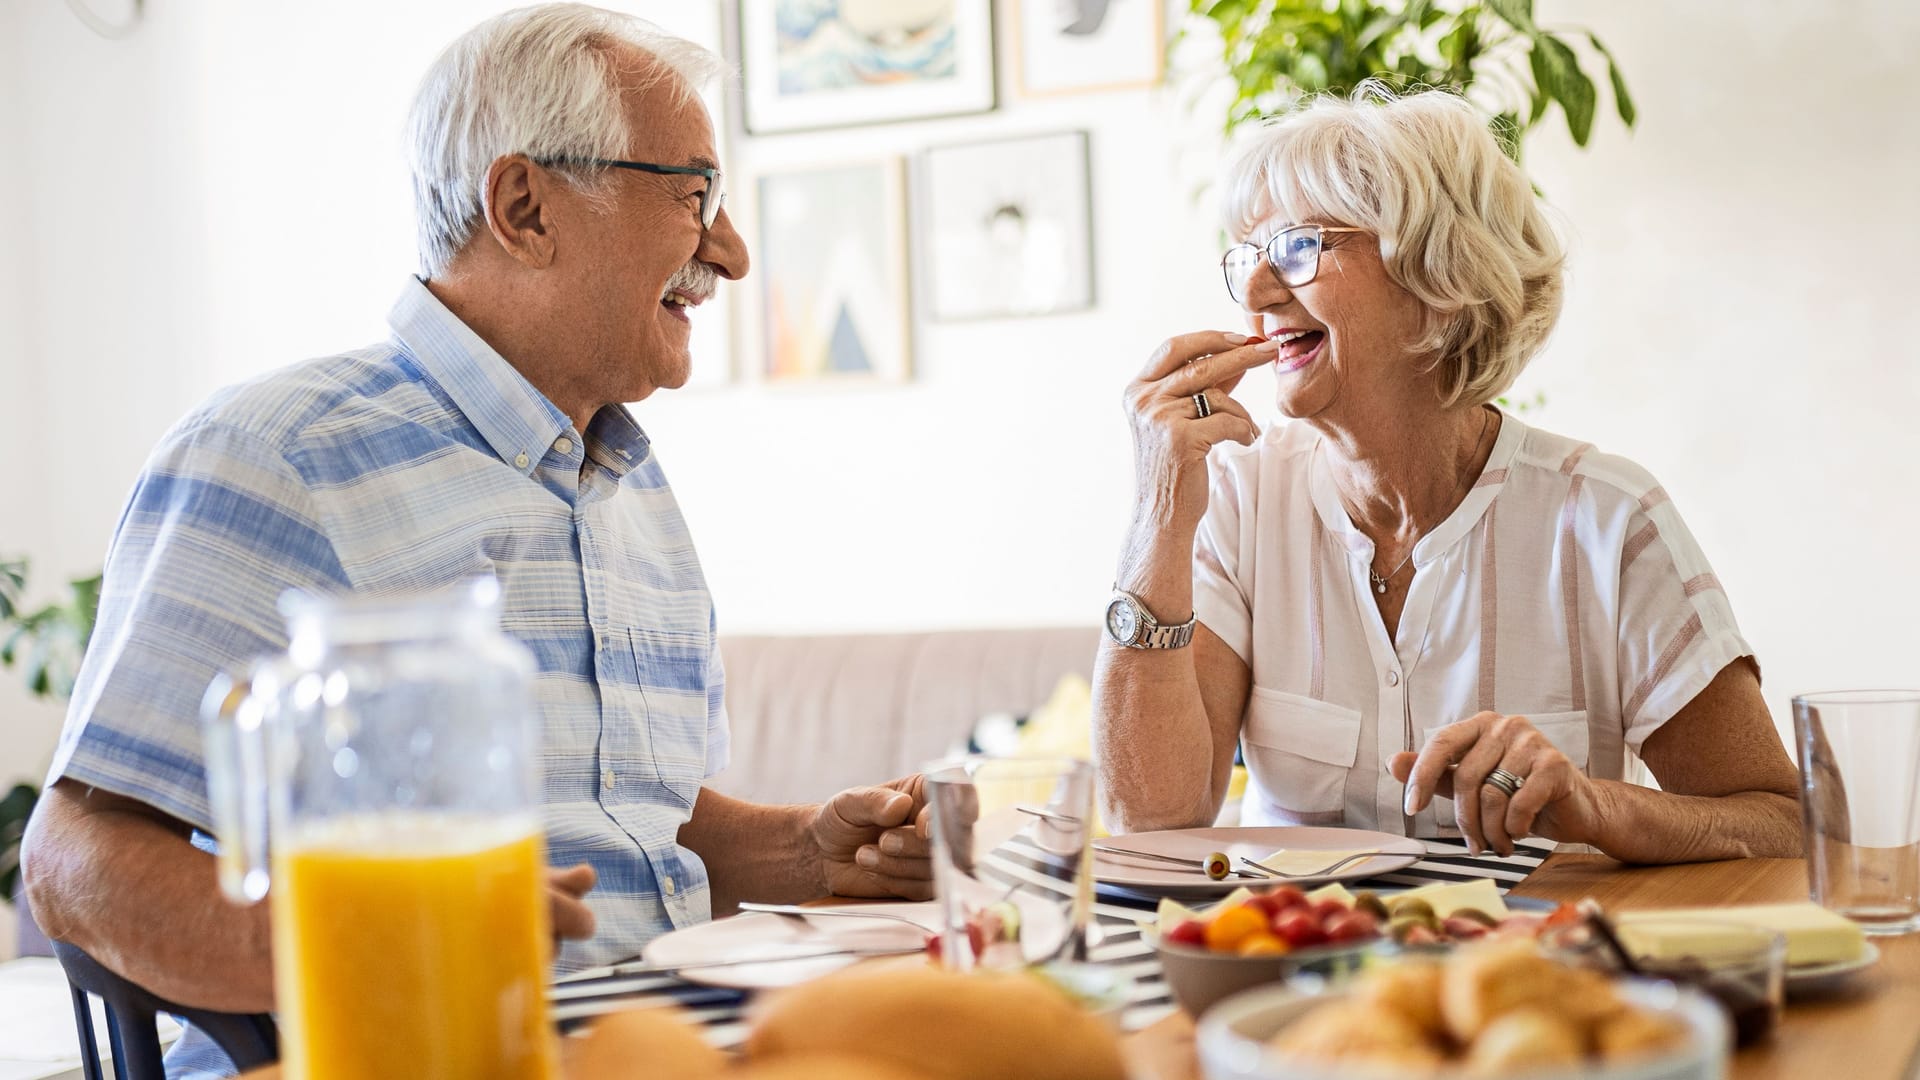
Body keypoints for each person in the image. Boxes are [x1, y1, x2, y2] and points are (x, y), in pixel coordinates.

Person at [21, 6, 931, 1075]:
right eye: (695, 195)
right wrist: (390, 945)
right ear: (524, 206)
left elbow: (633, 831)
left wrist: (803, 849)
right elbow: (76, 858)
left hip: (654, 1042)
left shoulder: (629, 482)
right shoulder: (276, 452)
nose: (727, 251)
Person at [1092, 86, 1801, 865]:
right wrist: (1157, 514)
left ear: (1438, 283)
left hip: (1527, 972)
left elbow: (1780, 823)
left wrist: (1593, 804)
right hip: (1290, 968)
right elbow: (1151, 824)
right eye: (1249, 257)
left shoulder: (1607, 520)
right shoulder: (1240, 500)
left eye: (1296, 247)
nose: (1258, 292)